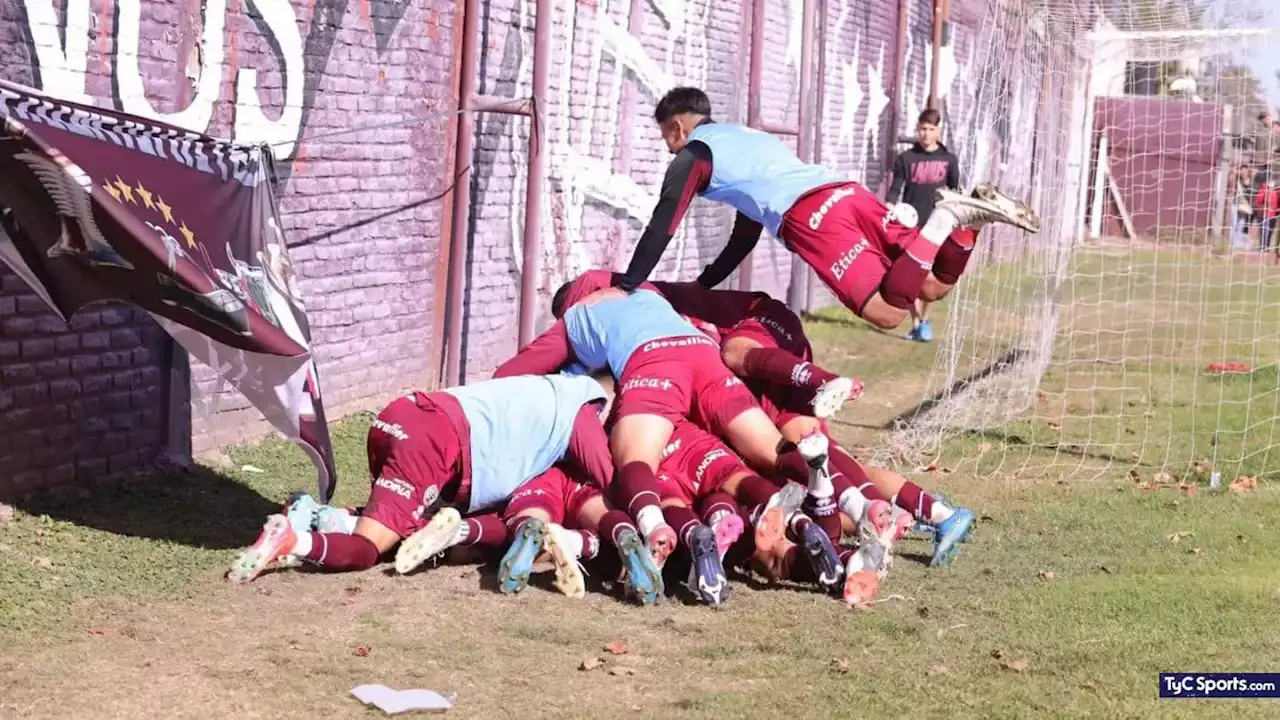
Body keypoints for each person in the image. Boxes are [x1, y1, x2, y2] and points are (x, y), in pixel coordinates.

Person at [618, 86, 1040, 332]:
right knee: (931, 287)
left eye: (666, 137)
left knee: (889, 312)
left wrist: (629, 284)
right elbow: (745, 235)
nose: (667, 147)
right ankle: (971, 225)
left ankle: (947, 216)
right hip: (845, 191)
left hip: (813, 217)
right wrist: (705, 283)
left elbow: (662, 226)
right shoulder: (745, 137)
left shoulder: (692, 155)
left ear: (676, 127)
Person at [491, 281, 823, 573]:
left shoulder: (577, 319)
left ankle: (652, 529)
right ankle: (830, 498)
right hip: (706, 359)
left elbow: (508, 378)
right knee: (773, 451)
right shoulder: (649, 295)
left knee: (635, 462)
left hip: (654, 367)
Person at [226, 373, 618, 583]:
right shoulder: (582, 408)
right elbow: (608, 480)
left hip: (403, 415)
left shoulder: (543, 388)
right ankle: (292, 540)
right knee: (368, 549)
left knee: (404, 525)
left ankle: (312, 514)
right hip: (434, 440)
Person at [887, 108, 960, 342]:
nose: (925, 133)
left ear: (938, 131)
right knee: (910, 276)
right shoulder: (906, 159)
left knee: (929, 278)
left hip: (937, 225)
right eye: (922, 129)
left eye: (930, 129)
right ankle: (916, 321)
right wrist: (888, 206)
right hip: (911, 225)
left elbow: (955, 191)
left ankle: (924, 320)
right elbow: (896, 187)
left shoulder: (949, 160)